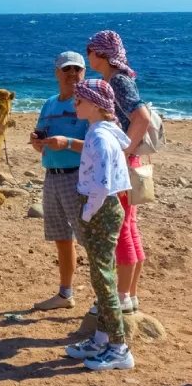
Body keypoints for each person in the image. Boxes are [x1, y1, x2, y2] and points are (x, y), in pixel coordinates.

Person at [65, 79, 135, 371]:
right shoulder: (102, 132)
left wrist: (87, 213)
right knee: (101, 274)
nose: (74, 104)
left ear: (94, 104)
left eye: (79, 100)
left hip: (101, 209)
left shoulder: (99, 138)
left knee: (103, 278)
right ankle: (101, 338)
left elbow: (103, 184)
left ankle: (119, 348)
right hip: (105, 208)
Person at [87, 30, 150, 314]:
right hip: (129, 163)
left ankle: (121, 296)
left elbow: (141, 117)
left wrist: (123, 153)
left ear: (101, 54)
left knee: (122, 229)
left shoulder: (118, 81)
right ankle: (130, 295)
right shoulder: (116, 80)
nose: (87, 54)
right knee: (130, 228)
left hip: (123, 165)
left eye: (90, 49)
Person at [31, 52, 89, 311]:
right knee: (62, 239)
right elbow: (42, 140)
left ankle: (104, 301)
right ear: (56, 73)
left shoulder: (87, 105)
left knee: (90, 239)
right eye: (67, 69)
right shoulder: (50, 104)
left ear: (84, 73)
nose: (72, 74)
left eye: (77, 69)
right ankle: (65, 294)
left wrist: (66, 143)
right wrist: (37, 141)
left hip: (77, 177)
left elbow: (97, 146)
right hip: (51, 177)